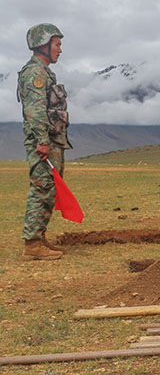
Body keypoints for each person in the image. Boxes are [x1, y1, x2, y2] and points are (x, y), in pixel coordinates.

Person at [16, 23, 71, 261]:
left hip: (51, 139)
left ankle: (40, 237)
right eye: (57, 44)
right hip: (43, 141)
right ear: (44, 44)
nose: (60, 49)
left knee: (49, 190)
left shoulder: (46, 72)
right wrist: (41, 141)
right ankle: (32, 245)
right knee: (41, 189)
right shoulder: (35, 73)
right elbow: (35, 110)